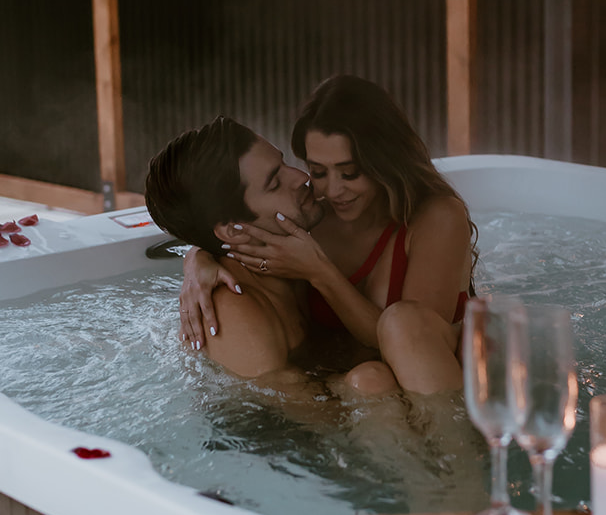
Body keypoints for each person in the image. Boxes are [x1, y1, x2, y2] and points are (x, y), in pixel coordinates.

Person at [177, 75, 473, 394]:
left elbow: (408, 345)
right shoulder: (309, 221)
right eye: (317, 172)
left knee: (400, 329)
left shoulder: (437, 219)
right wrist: (198, 258)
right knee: (368, 380)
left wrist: (320, 272)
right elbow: (231, 228)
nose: (333, 191)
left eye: (350, 173)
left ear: (384, 162)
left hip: (444, 387)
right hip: (371, 392)